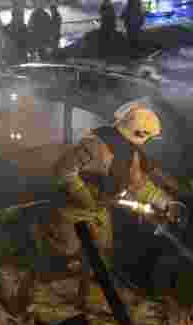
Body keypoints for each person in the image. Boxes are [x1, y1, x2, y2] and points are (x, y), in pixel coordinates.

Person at [34, 105, 180, 280]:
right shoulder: (94, 145)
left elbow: (139, 186)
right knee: (65, 249)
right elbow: (63, 171)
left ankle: (88, 284)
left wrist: (166, 202)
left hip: (98, 209)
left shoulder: (130, 153)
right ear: (139, 133)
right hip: (71, 209)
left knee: (102, 250)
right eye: (148, 136)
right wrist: (84, 196)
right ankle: (38, 265)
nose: (148, 141)